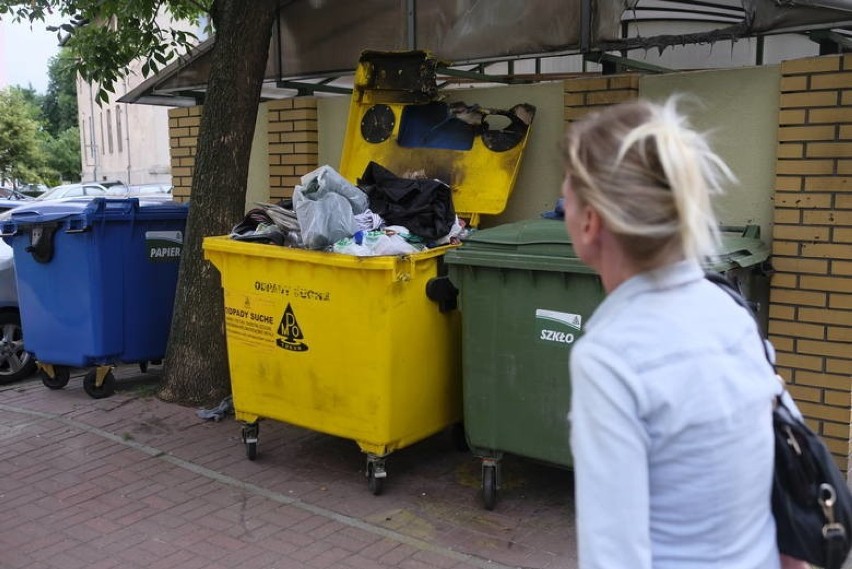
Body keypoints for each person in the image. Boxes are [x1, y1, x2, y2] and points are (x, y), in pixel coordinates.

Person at [560, 98, 802, 569]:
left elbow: (615, 557)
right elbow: (789, 474)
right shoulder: (731, 313)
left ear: (590, 222)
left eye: (565, 196)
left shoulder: (610, 357)